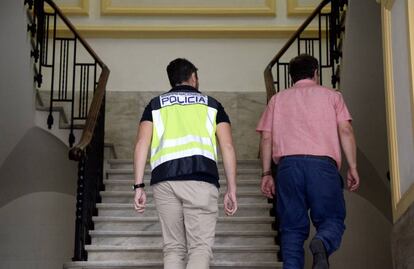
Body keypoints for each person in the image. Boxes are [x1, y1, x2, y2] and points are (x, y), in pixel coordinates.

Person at [256, 54, 360, 269]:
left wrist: (267, 174)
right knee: (331, 219)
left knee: (291, 230)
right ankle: (322, 241)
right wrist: (353, 166)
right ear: (316, 73)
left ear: (291, 76)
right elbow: (346, 130)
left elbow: (266, 137)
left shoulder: (277, 99)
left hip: (288, 168)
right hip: (323, 167)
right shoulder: (332, 96)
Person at [133, 58, 238, 269]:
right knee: (199, 248)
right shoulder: (212, 105)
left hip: (164, 181)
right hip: (201, 180)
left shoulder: (155, 105)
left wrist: (138, 186)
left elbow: (141, 143)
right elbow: (227, 147)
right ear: (193, 77)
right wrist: (232, 189)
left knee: (173, 248)